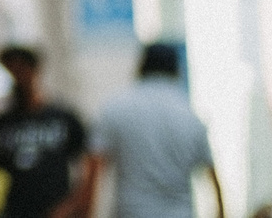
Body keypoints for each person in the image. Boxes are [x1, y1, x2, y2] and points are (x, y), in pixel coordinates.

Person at [80, 43, 224, 218]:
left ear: (141, 66)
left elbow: (94, 171)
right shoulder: (191, 116)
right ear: (176, 70)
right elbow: (213, 179)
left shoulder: (116, 108)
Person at [0, 45, 90, 218]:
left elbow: (89, 166)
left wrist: (72, 205)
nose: (17, 77)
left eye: (22, 69)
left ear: (35, 70)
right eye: (10, 71)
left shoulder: (63, 118)